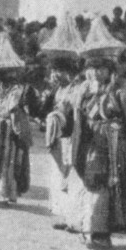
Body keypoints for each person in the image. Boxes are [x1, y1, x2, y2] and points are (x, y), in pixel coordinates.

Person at [76, 17, 126, 250]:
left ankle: (100, 233)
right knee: (93, 183)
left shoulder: (123, 88)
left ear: (110, 69)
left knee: (111, 187)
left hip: (116, 143)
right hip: (93, 143)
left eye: (101, 68)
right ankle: (91, 228)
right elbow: (79, 117)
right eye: (92, 68)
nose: (96, 73)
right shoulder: (86, 90)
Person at [40, 14, 87, 231]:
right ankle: (61, 214)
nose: (57, 75)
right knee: (58, 174)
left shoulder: (79, 88)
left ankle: (75, 218)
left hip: (73, 136)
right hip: (60, 138)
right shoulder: (58, 90)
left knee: (74, 174)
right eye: (55, 71)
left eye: (61, 71)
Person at [0, 33, 32, 207]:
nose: (1, 79)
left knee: (6, 160)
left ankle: (3, 194)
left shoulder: (15, 91)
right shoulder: (0, 92)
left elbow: (14, 110)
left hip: (8, 128)